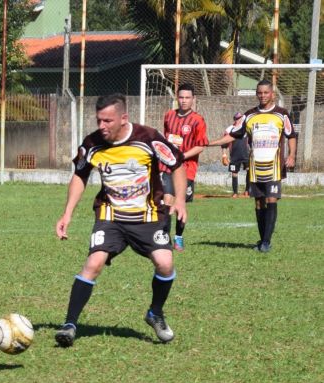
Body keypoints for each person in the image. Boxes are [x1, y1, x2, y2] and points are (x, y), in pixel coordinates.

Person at [54, 93, 187, 347]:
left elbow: (177, 163)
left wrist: (180, 200)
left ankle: (155, 313)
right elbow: (80, 175)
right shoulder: (92, 144)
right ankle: (69, 325)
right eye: (99, 120)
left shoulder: (148, 138)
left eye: (108, 121)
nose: (102, 126)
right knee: (93, 263)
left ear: (124, 118)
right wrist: (67, 213)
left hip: (148, 215)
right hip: (111, 215)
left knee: (165, 263)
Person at [208, 80, 297, 253]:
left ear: (272, 94)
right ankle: (263, 239)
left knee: (271, 199)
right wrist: (209, 143)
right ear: (257, 94)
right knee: (258, 203)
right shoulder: (249, 116)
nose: (262, 96)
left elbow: (291, 135)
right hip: (255, 167)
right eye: (259, 93)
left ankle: (266, 242)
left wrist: (292, 155)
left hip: (274, 166)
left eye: (266, 92)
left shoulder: (282, 114)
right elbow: (232, 135)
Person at [160, 83, 208, 251]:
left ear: (193, 99)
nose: (184, 101)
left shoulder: (197, 120)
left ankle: (178, 237)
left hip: (187, 168)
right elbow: (166, 138)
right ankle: (164, 237)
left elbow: (201, 146)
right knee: (167, 199)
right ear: (177, 98)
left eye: (187, 98)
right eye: (181, 97)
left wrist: (181, 155)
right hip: (167, 167)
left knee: (180, 203)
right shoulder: (169, 116)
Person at [221, 112, 250, 198]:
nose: (239, 120)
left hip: (246, 154)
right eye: (237, 118)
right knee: (234, 173)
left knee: (249, 171)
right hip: (234, 156)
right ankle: (235, 192)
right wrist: (224, 155)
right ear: (234, 119)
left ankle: (247, 190)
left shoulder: (247, 128)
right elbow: (224, 144)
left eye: (240, 118)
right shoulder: (230, 129)